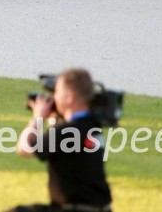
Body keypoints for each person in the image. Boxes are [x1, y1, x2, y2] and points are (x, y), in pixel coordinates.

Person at [9, 68, 112, 212]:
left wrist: (37, 118)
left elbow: (24, 149)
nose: (54, 97)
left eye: (57, 92)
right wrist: (55, 119)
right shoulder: (92, 125)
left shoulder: (67, 131)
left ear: (69, 98)